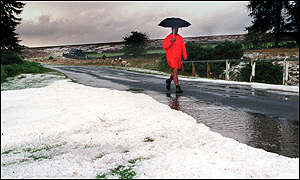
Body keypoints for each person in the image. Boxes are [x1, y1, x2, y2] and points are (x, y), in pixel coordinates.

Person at [162, 27, 187, 93]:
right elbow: (164, 46)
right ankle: (177, 87)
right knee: (175, 70)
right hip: (171, 57)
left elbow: (183, 47)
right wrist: (171, 42)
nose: (176, 30)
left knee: (175, 72)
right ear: (172, 29)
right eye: (175, 29)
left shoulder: (180, 38)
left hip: (178, 57)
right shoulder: (169, 37)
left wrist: (185, 56)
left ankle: (169, 80)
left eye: (177, 29)